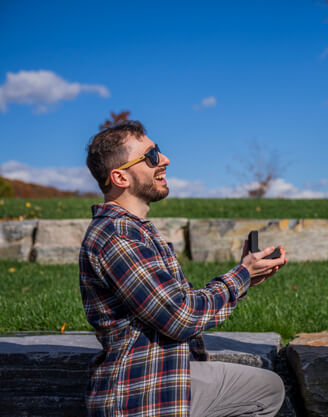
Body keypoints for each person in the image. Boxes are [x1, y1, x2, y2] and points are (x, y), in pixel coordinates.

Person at [79, 120, 287, 417]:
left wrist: (246, 279)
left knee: (268, 388)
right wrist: (241, 276)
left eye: (159, 152)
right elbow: (181, 317)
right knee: (266, 391)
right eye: (151, 156)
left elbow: (180, 305)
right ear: (120, 177)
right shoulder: (118, 238)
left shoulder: (134, 231)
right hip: (140, 397)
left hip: (161, 379)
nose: (165, 160)